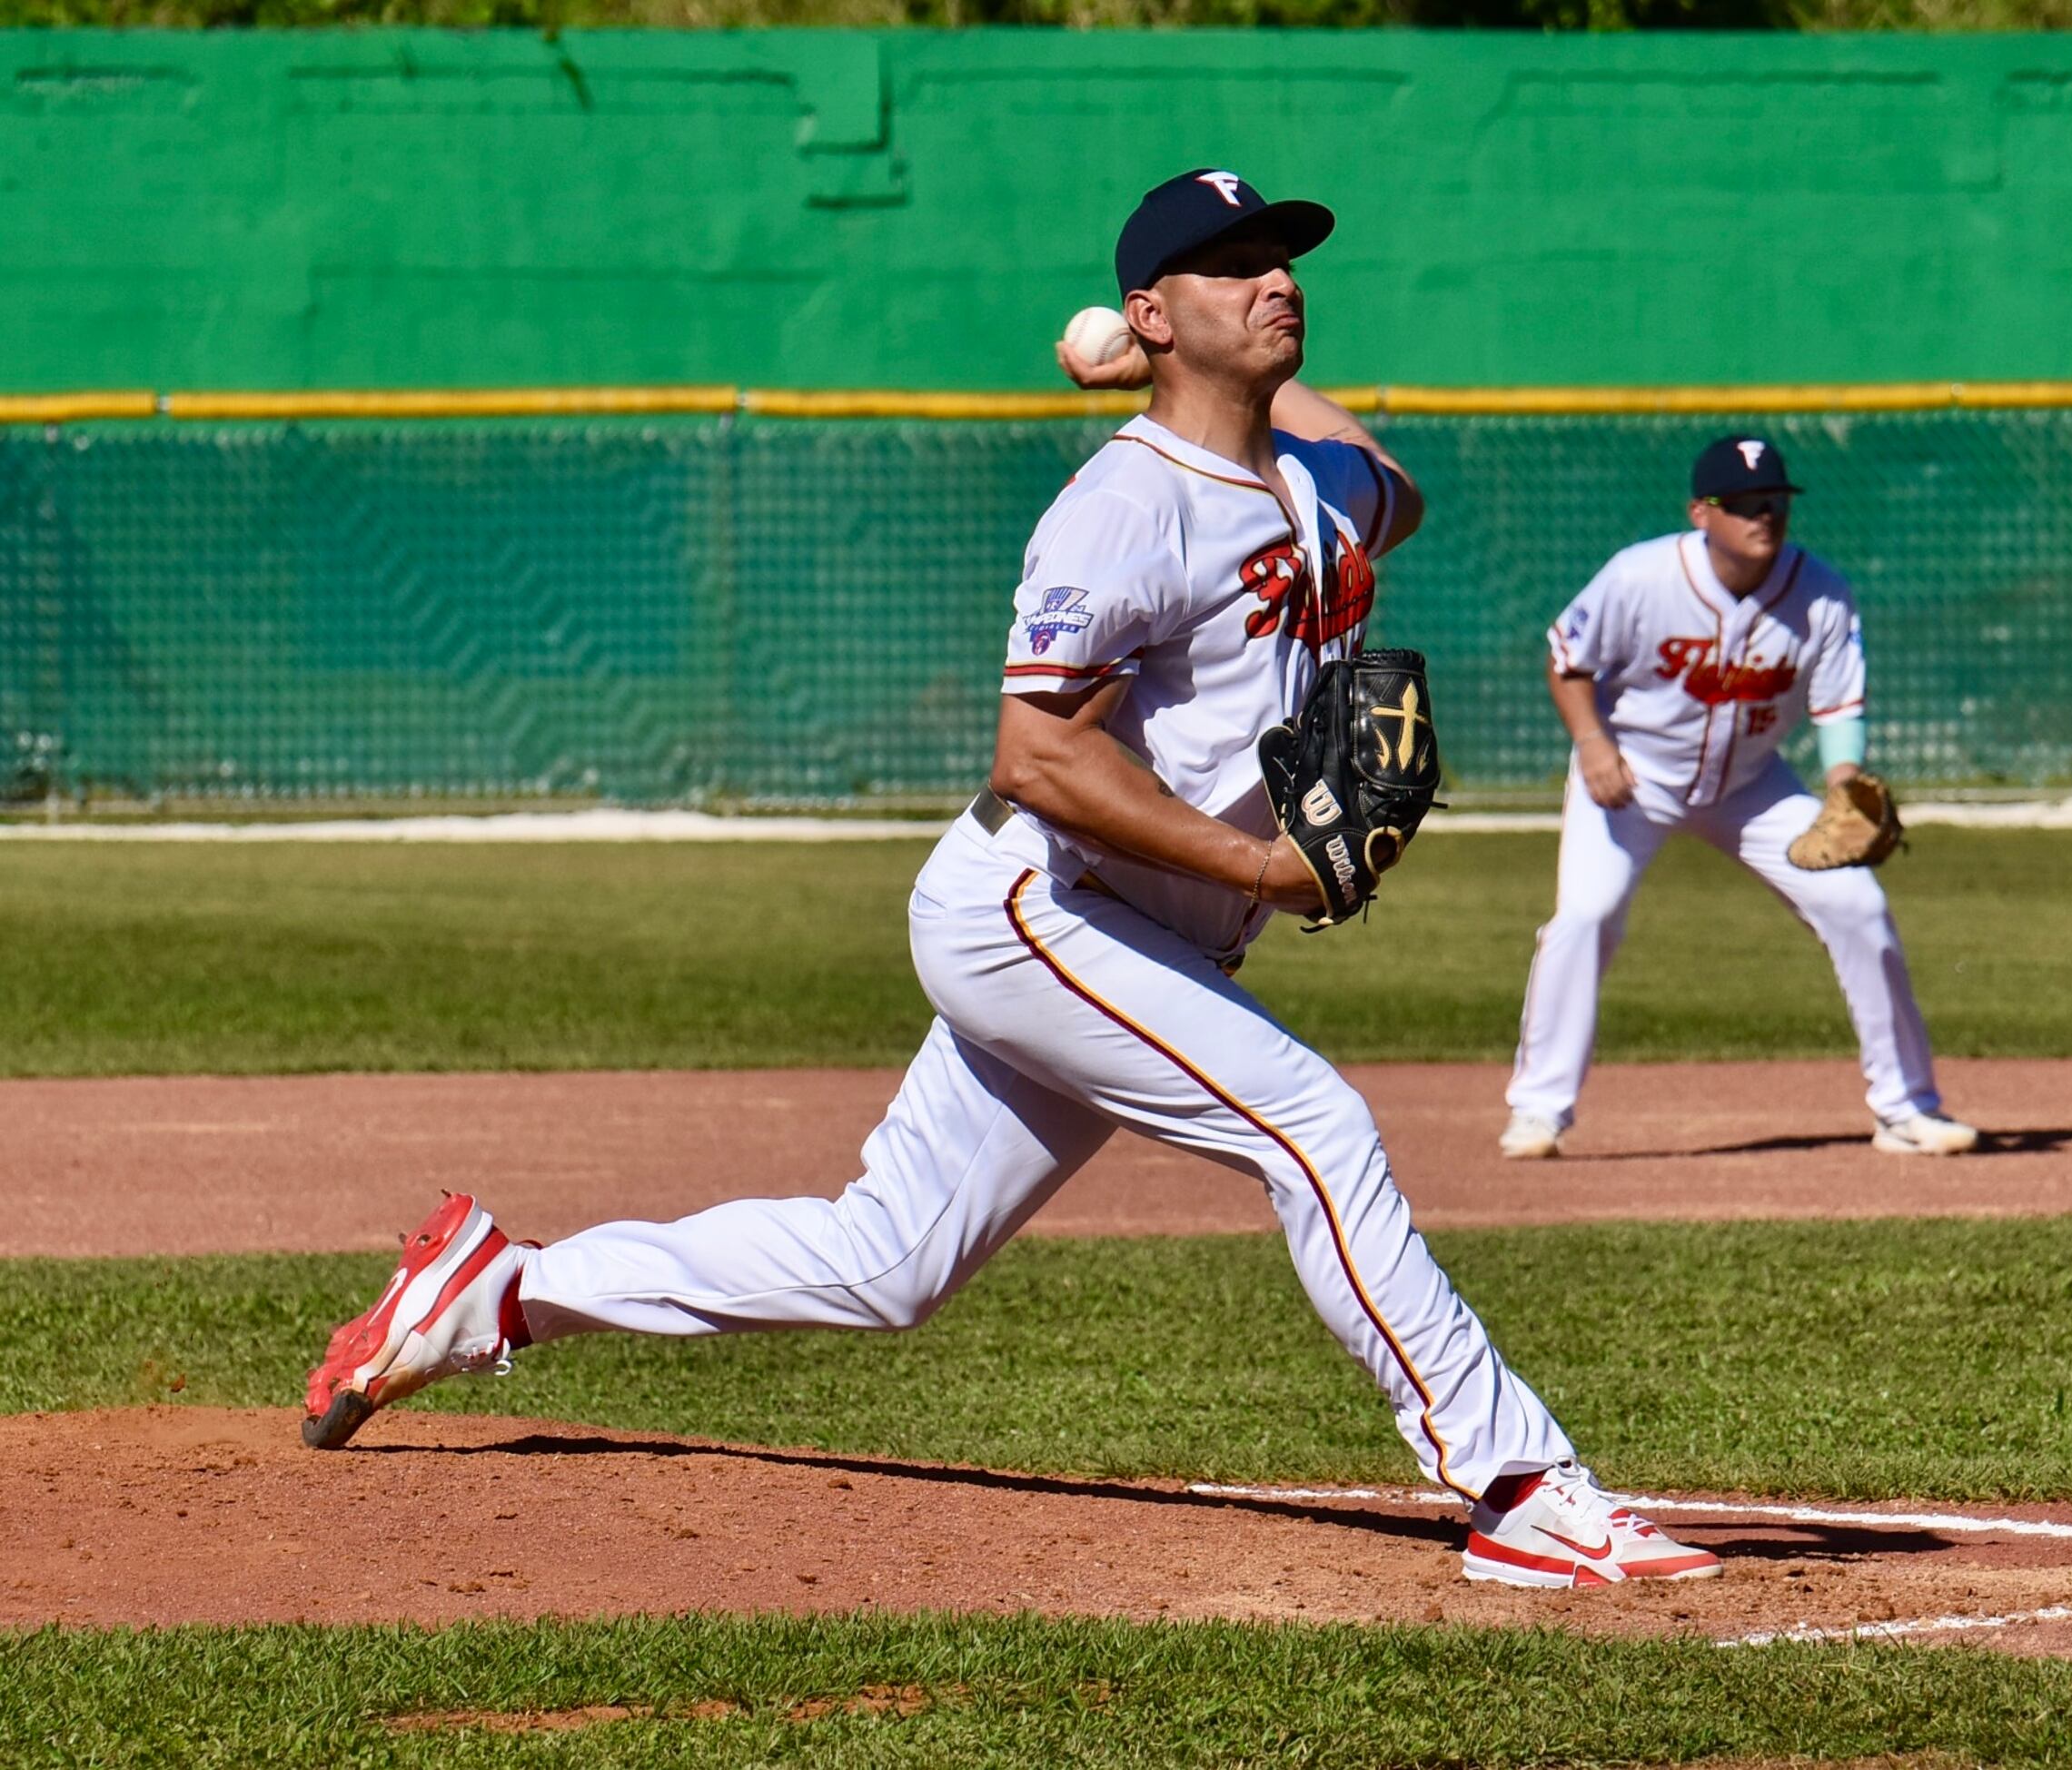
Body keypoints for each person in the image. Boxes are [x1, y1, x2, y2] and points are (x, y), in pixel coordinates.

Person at [302, 169, 1721, 1592]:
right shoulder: (1121, 508)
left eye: (1281, 255)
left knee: (890, 1262)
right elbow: (1039, 756)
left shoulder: (1324, 489)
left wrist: (1171, 358)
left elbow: (1384, 481)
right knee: (1315, 1125)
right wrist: (1260, 864)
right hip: (1033, 908)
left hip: (1138, 934)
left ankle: (495, 1290)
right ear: (1159, 311)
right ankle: (1521, 1485)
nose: (1277, 279)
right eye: (1230, 265)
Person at [1501, 435, 1980, 1162]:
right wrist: (1594, 745)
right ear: (1702, 511)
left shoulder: (1820, 592)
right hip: (1633, 776)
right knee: (1584, 916)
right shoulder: (1641, 576)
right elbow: (1569, 659)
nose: (1765, 515)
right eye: (1746, 503)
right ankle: (1538, 1111)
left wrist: (1844, 784)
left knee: (1859, 906)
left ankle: (1907, 1108)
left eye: (1777, 502)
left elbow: (1837, 704)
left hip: (1751, 785)